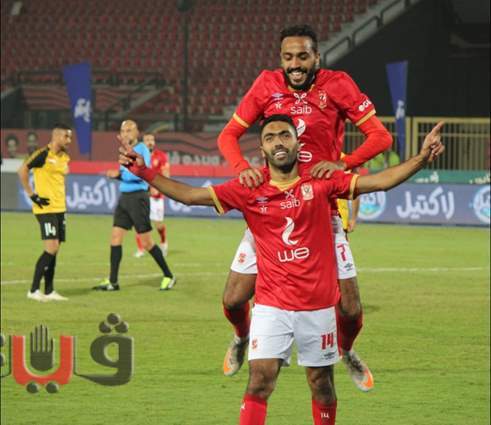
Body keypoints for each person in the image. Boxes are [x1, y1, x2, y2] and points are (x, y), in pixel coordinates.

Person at [118, 115, 444, 425]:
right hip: (271, 306)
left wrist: (421, 159)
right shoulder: (250, 187)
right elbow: (191, 196)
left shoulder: (321, 181)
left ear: (298, 142)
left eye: (285, 135)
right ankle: (241, 337)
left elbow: (379, 182)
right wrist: (142, 170)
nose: (278, 142)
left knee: (322, 384)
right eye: (270, 137)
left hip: (317, 307)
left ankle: (346, 353)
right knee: (259, 381)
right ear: (262, 149)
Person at [216, 24, 393, 390]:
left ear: (316, 57)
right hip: (271, 208)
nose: (295, 64)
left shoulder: (338, 84)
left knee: (350, 307)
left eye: (302, 56)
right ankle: (241, 336)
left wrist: (343, 163)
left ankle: (346, 349)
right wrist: (242, 168)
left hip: (321, 210)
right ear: (281, 59)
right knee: (233, 299)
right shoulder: (266, 84)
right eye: (288, 57)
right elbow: (228, 135)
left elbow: (380, 136)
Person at [93, 120, 175, 292]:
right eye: (123, 130)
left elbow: (141, 174)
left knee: (147, 242)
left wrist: (117, 175)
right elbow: (127, 174)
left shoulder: (142, 149)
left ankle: (169, 275)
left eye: (129, 130)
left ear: (137, 132)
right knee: (115, 238)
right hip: (125, 198)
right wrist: (119, 175)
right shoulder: (125, 151)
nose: (126, 133)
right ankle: (113, 281)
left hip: (139, 198)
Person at [17, 123, 73, 302]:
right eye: (66, 136)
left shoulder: (65, 157)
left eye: (70, 137)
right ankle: (33, 290)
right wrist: (32, 195)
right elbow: (22, 170)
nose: (69, 140)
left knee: (55, 250)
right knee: (51, 248)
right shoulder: (42, 154)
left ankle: (49, 290)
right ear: (56, 136)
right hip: (45, 208)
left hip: (60, 208)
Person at [134, 132, 170, 258]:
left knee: (158, 224)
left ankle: (163, 242)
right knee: (139, 222)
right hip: (141, 194)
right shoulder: (138, 157)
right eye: (147, 140)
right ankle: (140, 249)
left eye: (151, 140)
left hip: (156, 196)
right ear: (143, 142)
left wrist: (159, 188)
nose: (150, 142)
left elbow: (166, 174)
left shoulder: (161, 156)